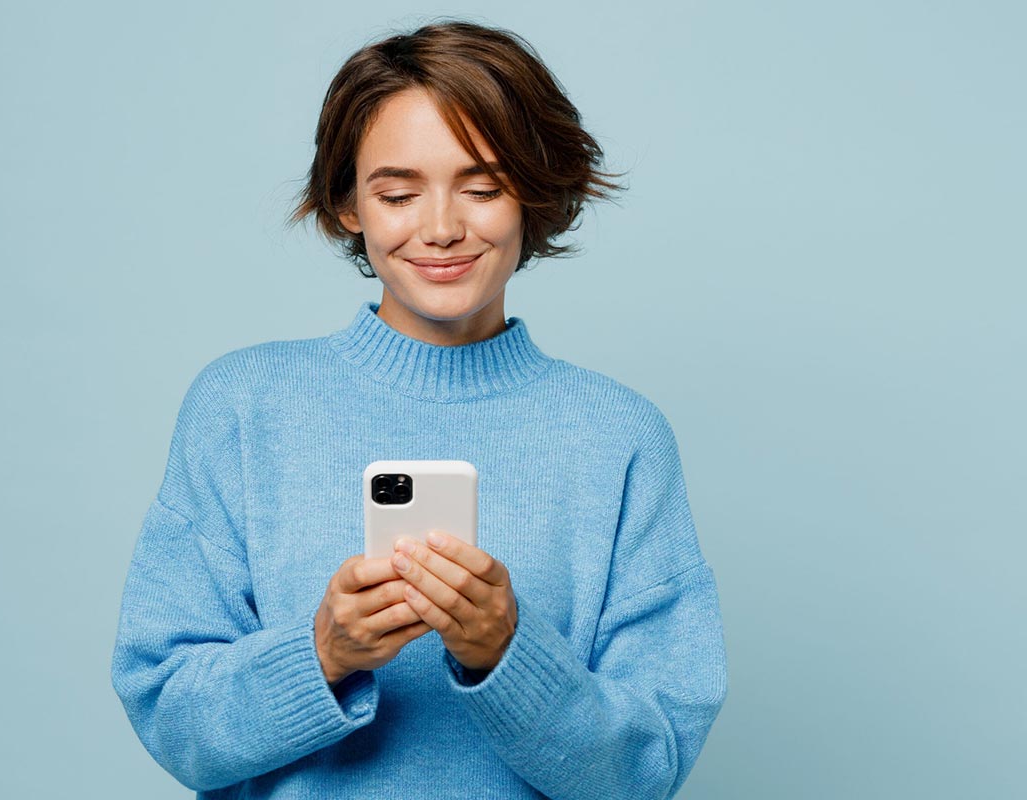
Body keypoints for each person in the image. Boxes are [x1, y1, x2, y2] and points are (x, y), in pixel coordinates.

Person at [110, 18, 727, 800]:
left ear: (532, 197)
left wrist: (507, 654)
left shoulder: (619, 436)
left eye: (483, 186)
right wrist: (321, 654)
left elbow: (646, 771)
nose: (441, 228)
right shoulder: (242, 407)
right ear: (347, 206)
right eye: (398, 193)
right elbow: (169, 713)